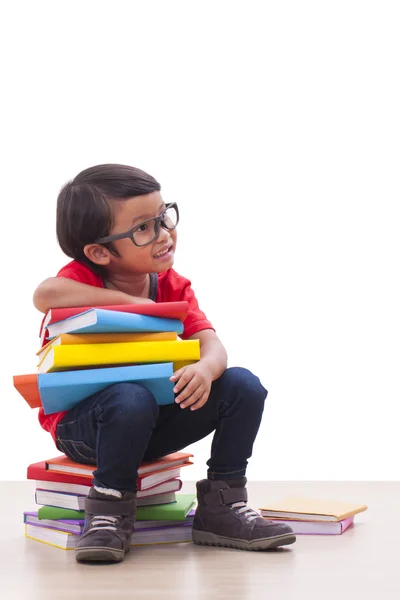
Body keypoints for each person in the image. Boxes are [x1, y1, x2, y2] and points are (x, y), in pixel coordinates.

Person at [33, 164, 296, 563]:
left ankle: (222, 505)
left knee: (243, 385)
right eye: (143, 228)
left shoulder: (173, 284)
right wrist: (132, 304)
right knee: (129, 396)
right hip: (87, 430)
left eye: (163, 217)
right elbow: (44, 293)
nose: (164, 234)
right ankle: (107, 510)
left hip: (147, 423)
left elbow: (213, 345)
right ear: (100, 252)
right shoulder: (82, 277)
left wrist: (205, 370)